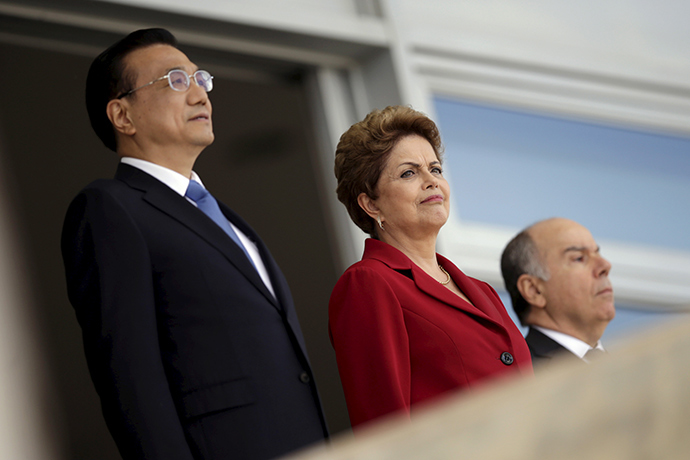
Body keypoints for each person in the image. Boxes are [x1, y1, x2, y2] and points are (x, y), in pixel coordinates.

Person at [61, 28, 327, 460]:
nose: (201, 95)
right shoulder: (110, 209)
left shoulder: (231, 220)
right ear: (122, 116)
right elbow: (130, 377)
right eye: (176, 81)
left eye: (201, 79)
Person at [329, 105, 533, 428]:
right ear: (371, 204)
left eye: (435, 169)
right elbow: (384, 427)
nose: (431, 181)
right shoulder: (369, 283)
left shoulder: (483, 292)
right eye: (409, 173)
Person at [500, 217, 615, 369]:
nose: (605, 265)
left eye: (597, 253)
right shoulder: (522, 376)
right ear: (535, 291)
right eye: (579, 258)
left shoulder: (633, 364)